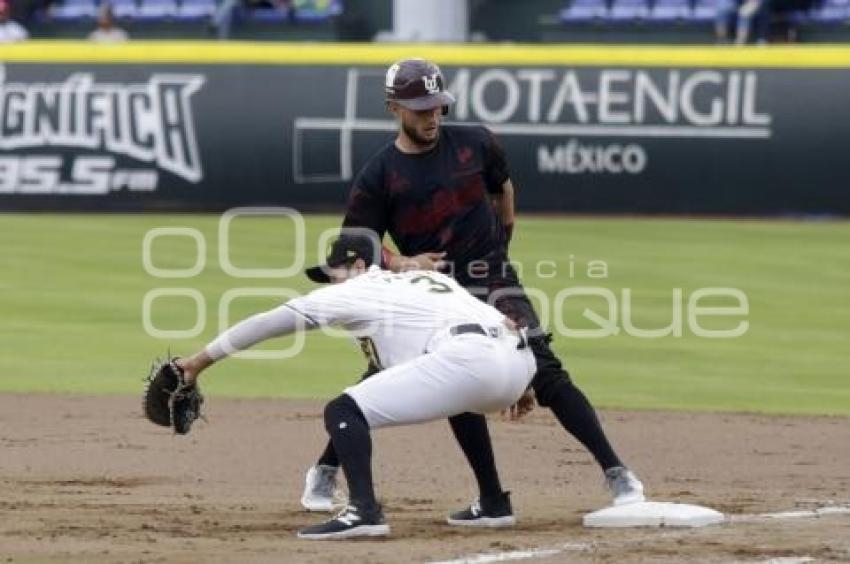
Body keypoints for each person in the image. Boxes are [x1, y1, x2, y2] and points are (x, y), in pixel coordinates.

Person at [300, 58, 645, 525]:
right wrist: (403, 262)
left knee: (545, 370)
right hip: (432, 294)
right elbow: (354, 249)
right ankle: (332, 471)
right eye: (420, 108)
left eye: (437, 105)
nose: (431, 116)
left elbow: (503, 189)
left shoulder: (476, 143)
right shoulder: (380, 174)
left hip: (492, 280)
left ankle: (618, 473)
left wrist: (501, 243)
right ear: (393, 108)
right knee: (426, 381)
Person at [174, 232, 537, 539]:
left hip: (471, 359)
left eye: (334, 274)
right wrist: (521, 381)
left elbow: (269, 322)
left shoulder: (359, 288)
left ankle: (363, 511)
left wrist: (197, 363)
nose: (331, 284)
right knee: (457, 396)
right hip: (516, 357)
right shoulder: (429, 282)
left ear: (359, 266)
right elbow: (490, 319)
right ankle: (493, 501)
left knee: (343, 410)